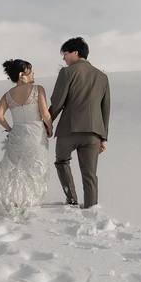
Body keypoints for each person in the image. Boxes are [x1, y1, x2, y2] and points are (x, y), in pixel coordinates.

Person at [48, 37, 111, 209]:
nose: (64, 58)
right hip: (94, 133)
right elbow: (105, 109)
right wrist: (103, 137)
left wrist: (47, 123)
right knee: (90, 174)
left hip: (69, 129)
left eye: (65, 54)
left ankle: (72, 199)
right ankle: (91, 208)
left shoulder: (67, 72)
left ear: (76, 53)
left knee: (61, 161)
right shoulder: (102, 77)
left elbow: (58, 102)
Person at [0, 59, 53, 220]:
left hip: (17, 133)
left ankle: (14, 201)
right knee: (33, 169)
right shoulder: (38, 89)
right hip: (36, 133)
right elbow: (45, 114)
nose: (34, 74)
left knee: (16, 170)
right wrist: (50, 128)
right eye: (31, 71)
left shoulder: (7, 95)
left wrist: (10, 128)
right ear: (22, 74)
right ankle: (29, 202)